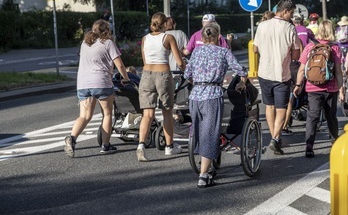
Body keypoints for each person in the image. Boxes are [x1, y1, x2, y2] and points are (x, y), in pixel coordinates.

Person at [184, 22, 247, 188]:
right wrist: (242, 83)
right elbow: (240, 70)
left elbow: (187, 74)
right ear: (219, 36)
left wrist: (197, 81)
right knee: (211, 134)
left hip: (195, 96)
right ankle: (203, 175)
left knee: (198, 132)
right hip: (212, 95)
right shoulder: (223, 51)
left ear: (203, 37)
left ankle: (207, 165)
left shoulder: (196, 51)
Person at [64, 20, 130, 157]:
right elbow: (120, 65)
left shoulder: (84, 43)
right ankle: (105, 145)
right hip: (101, 83)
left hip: (83, 83)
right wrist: (126, 78)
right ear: (106, 30)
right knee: (107, 114)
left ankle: (72, 138)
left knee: (85, 116)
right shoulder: (108, 43)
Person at [136, 12, 186, 162]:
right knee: (167, 112)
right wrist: (188, 73)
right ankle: (169, 147)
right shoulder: (168, 37)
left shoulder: (145, 38)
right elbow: (179, 61)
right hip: (163, 75)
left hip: (146, 75)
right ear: (165, 24)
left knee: (147, 115)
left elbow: (145, 60)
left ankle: (141, 146)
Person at [254, 0, 301, 155]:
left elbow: (255, 48)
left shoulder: (262, 25)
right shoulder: (289, 28)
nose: (292, 16)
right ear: (285, 11)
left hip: (264, 73)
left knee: (269, 106)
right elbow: (295, 54)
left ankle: (275, 137)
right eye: (292, 13)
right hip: (281, 74)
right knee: (282, 108)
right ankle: (275, 138)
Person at [294, 20, 344, 157]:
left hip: (312, 87)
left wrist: (298, 85)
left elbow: (301, 69)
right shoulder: (335, 48)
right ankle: (335, 141)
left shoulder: (310, 46)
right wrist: (341, 89)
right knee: (331, 116)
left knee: (312, 116)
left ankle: (309, 145)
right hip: (331, 88)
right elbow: (338, 72)